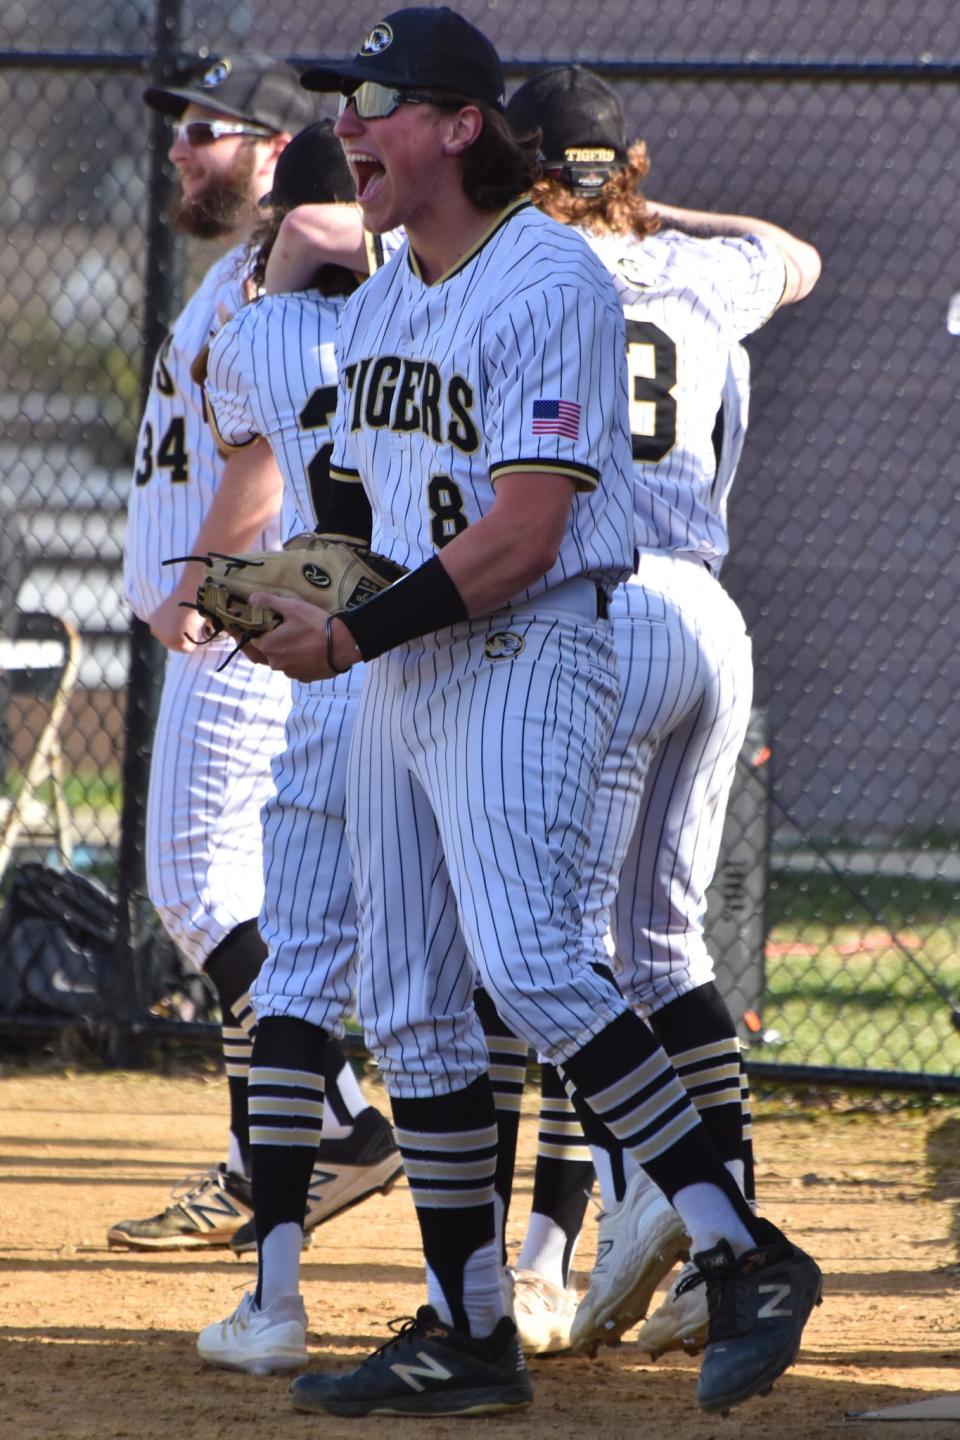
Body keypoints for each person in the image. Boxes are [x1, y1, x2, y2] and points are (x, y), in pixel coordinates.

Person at [237, 7, 821, 1420]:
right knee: (418, 1010)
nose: (346, 132)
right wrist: (273, 593)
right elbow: (364, 514)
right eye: (343, 107)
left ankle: (749, 1256)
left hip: (530, 647)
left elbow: (524, 533)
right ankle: (466, 1325)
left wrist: (350, 626)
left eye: (373, 104)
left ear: (457, 125)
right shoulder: (383, 297)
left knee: (539, 960)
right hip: (402, 671)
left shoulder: (548, 278)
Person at [495, 65, 822, 1359]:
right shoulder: (700, 274)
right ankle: (697, 1241)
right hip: (710, 620)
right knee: (665, 945)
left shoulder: (516, 277)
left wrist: (568, 197)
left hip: (602, 614)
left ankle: (657, 1208)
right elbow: (792, 257)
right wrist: (638, 200)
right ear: (619, 162)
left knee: (562, 952)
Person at [113, 53, 400, 1254]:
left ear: (279, 151)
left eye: (210, 130)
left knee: (193, 881)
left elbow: (265, 456)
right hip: (235, 606)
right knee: (227, 889)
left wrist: (196, 584)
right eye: (178, 129)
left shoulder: (309, 259)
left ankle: (331, 1122)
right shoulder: (245, 269)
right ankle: (259, 1152)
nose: (182, 147)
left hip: (244, 607)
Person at [194, 118, 418, 1371]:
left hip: (329, 686)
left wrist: (285, 261)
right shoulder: (435, 311)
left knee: (299, 984)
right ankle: (497, 1281)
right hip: (439, 660)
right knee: (481, 991)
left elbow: (240, 425)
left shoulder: (268, 333)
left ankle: (276, 1301)